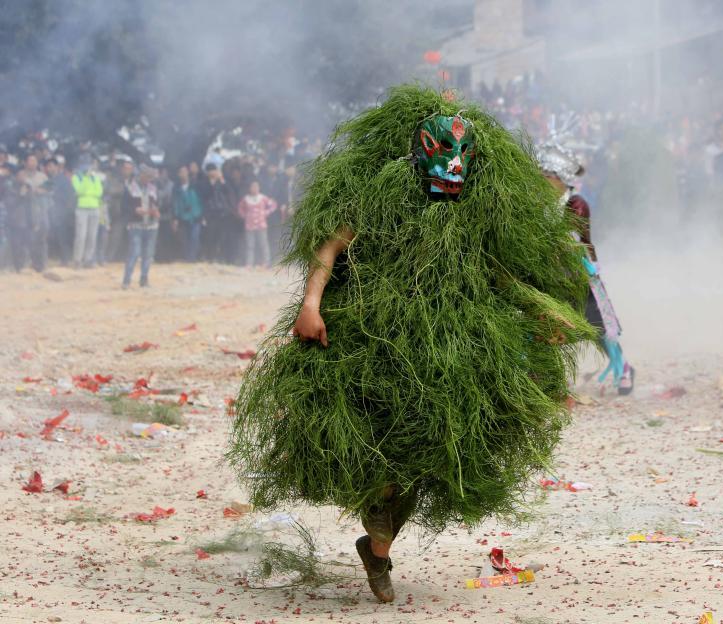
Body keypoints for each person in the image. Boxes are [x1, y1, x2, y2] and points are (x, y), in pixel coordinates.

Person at [227, 86, 593, 604]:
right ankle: (377, 540)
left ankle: (376, 548)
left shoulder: (480, 209)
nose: (451, 173)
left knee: (433, 453)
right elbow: (331, 246)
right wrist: (311, 304)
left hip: (457, 347)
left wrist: (545, 314)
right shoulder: (384, 194)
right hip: (376, 339)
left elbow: (501, 275)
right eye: (442, 157)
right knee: (382, 449)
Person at [538, 143, 634, 395]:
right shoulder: (537, 206)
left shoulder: (576, 204)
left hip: (580, 273)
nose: (543, 182)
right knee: (544, 325)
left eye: (548, 177)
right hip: (549, 274)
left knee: (600, 325)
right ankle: (545, 376)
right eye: (541, 177)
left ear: (561, 180)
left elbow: (575, 242)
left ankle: (623, 367)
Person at [121, 165, 160, 289]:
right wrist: (135, 210)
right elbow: (124, 207)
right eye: (147, 177)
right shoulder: (130, 188)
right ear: (141, 175)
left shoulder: (153, 188)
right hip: (136, 224)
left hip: (151, 225)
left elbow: (156, 204)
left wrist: (155, 210)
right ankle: (126, 280)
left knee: (148, 254)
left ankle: (144, 279)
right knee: (135, 252)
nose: (149, 180)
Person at [19, 154, 51, 272]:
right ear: (25, 163)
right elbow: (21, 188)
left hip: (42, 211)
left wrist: (40, 190)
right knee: (27, 238)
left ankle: (42, 264)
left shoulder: (42, 176)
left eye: (35, 160)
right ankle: (26, 264)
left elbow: (49, 189)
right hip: (26, 211)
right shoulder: (21, 174)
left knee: (42, 238)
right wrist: (30, 187)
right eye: (30, 160)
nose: (33, 163)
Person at [71, 154, 104, 268]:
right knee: (81, 235)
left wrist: (88, 192)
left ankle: (88, 259)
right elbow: (79, 191)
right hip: (81, 209)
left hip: (95, 208)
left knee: (92, 236)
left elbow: (99, 192)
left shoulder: (96, 178)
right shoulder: (77, 177)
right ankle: (77, 260)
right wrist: (86, 178)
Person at [237, 180, 277, 268]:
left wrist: (266, 212)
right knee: (249, 245)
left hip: (261, 225)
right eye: (253, 187)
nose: (254, 189)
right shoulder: (246, 199)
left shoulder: (263, 198)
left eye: (256, 187)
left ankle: (266, 263)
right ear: (249, 188)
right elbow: (240, 208)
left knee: (263, 244)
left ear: (259, 188)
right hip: (249, 225)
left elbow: (273, 205)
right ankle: (249, 263)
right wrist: (244, 215)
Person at [45, 158, 75, 265]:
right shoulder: (49, 179)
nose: (49, 168)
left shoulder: (63, 179)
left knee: (63, 237)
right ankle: (57, 258)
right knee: (54, 237)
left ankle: (65, 260)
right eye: (48, 166)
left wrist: (67, 211)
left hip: (62, 213)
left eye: (52, 166)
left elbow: (70, 195)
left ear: (57, 167)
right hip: (52, 213)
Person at [172, 165, 204, 262]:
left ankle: (193, 258)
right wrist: (176, 217)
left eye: (185, 171)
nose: (183, 173)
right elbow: (175, 204)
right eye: (181, 171)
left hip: (195, 216)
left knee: (195, 238)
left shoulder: (195, 186)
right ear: (178, 174)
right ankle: (187, 258)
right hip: (182, 217)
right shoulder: (176, 188)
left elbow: (201, 201)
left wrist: (201, 214)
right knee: (184, 239)